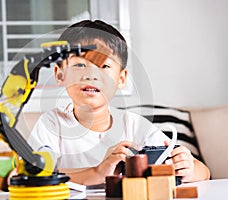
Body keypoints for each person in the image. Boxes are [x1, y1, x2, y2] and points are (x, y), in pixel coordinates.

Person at [27, 19, 210, 185]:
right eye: (80, 65)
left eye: (104, 66)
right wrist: (98, 172)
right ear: (60, 74)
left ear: (121, 78)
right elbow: (33, 177)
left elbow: (204, 173)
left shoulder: (133, 125)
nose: (91, 75)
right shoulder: (51, 124)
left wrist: (188, 169)